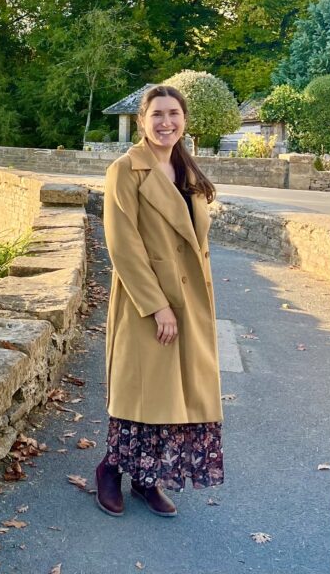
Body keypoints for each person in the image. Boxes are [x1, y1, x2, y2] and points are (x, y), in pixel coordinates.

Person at [95, 85, 224, 518]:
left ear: (184, 120)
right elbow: (122, 245)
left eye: (173, 114)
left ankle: (148, 480)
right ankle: (111, 470)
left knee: (174, 397)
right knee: (140, 392)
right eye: (157, 114)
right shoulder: (124, 170)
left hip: (191, 303)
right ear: (141, 121)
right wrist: (158, 306)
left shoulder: (188, 172)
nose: (166, 122)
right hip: (145, 303)